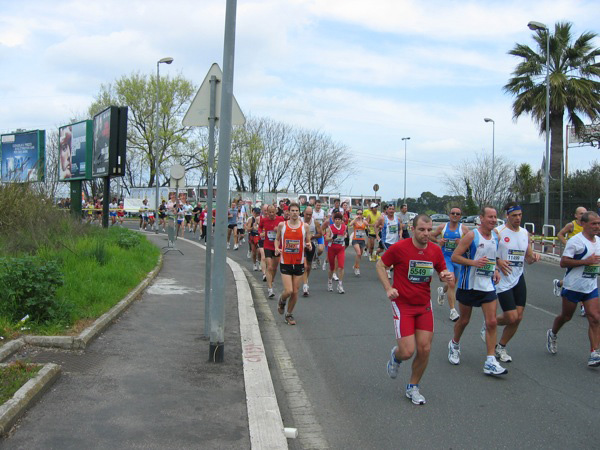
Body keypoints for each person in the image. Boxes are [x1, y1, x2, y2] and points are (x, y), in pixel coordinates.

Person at [377, 214, 454, 405]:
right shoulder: (400, 248)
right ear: (413, 229)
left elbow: (441, 271)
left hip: (424, 306)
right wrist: (389, 288)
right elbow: (380, 265)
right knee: (407, 351)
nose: (426, 233)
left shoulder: (435, 251)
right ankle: (396, 356)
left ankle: (413, 387)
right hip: (403, 304)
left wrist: (446, 276)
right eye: (422, 230)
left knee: (425, 348)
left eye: (429, 230)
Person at [447, 206, 508, 376]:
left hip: (487, 286)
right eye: (490, 217)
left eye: (495, 217)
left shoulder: (496, 236)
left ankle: (490, 361)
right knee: (464, 321)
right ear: (481, 218)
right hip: (469, 285)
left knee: (492, 322)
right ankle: (454, 344)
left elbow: (493, 258)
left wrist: (495, 270)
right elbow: (455, 257)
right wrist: (474, 263)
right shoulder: (472, 236)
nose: (493, 220)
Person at [546, 211, 600, 367]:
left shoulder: (599, 241)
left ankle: (594, 353)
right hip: (573, 286)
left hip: (590, 286)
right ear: (583, 224)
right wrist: (586, 261)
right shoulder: (576, 242)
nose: (597, 226)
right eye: (593, 223)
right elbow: (563, 263)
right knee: (566, 317)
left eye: (598, 223)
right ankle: (553, 333)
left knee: (595, 318)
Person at [492, 202, 540, 363]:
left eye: (520, 215)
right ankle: (490, 323)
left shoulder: (525, 233)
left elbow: (528, 257)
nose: (518, 218)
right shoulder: (498, 232)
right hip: (502, 279)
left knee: (518, 318)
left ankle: (501, 346)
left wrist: (534, 258)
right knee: (511, 316)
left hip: (518, 277)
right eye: (514, 215)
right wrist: (498, 261)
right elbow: (486, 252)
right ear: (507, 216)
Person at [275, 203, 312, 325]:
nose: (295, 212)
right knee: (288, 291)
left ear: (299, 212)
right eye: (292, 210)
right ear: (288, 212)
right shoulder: (282, 225)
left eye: (297, 210)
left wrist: (309, 245)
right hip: (285, 262)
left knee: (295, 292)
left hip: (299, 262)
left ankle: (289, 314)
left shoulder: (304, 226)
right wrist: (276, 248)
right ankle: (282, 300)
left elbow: (308, 241)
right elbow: (277, 239)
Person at [429, 206, 467, 322]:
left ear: (460, 216)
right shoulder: (443, 227)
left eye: (457, 214)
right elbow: (431, 235)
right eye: (453, 213)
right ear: (449, 215)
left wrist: (462, 243)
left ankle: (442, 291)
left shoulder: (464, 229)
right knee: (451, 282)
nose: (455, 215)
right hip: (445, 258)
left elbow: (472, 243)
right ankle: (452, 311)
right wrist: (438, 241)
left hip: (458, 259)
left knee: (452, 284)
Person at [554, 206, 588, 316]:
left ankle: (559, 283)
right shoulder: (572, 225)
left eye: (585, 213)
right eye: (581, 213)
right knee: (577, 278)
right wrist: (568, 244)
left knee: (581, 278)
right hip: (573, 256)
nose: (583, 215)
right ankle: (583, 307)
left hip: (585, 256)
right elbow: (560, 234)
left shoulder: (588, 225)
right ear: (576, 215)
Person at [259, 205, 284, 298]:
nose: (271, 214)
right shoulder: (264, 220)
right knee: (269, 266)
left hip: (277, 246)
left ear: (276, 211)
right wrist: (261, 233)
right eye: (269, 212)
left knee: (274, 268)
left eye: (273, 212)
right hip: (267, 246)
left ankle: (271, 281)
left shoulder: (281, 219)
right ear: (267, 212)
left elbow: (286, 229)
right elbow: (260, 228)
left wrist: (279, 229)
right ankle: (270, 289)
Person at [375, 204, 403, 278]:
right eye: (389, 209)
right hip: (386, 241)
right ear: (387, 210)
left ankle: (384, 266)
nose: (391, 210)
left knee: (393, 256)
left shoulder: (398, 219)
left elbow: (400, 229)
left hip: (395, 241)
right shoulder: (383, 219)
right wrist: (377, 236)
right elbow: (376, 226)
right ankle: (387, 271)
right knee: (391, 255)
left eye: (392, 209)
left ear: (394, 210)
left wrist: (400, 235)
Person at [325, 212, 347, 293]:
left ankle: (340, 285)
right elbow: (326, 238)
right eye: (336, 219)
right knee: (332, 267)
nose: (337, 221)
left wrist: (345, 236)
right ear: (334, 220)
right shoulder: (330, 228)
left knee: (341, 267)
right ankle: (330, 281)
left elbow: (345, 234)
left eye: (339, 219)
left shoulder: (344, 227)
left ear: (341, 221)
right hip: (332, 249)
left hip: (341, 248)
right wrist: (331, 238)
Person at [301, 206, 320, 296]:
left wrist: (312, 236)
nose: (308, 216)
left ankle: (306, 280)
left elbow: (320, 234)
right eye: (307, 214)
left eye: (310, 214)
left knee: (308, 265)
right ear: (303, 213)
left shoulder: (315, 222)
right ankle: (305, 286)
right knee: (304, 266)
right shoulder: (299, 221)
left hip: (311, 244)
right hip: (301, 244)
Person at [349, 209, 368, 276]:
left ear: (362, 215)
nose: (359, 215)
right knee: (359, 253)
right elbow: (350, 224)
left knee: (360, 255)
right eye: (358, 214)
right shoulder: (355, 221)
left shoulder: (364, 221)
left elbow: (368, 228)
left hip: (362, 239)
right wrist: (355, 218)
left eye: (360, 214)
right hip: (355, 239)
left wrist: (367, 226)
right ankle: (357, 268)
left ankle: (355, 265)